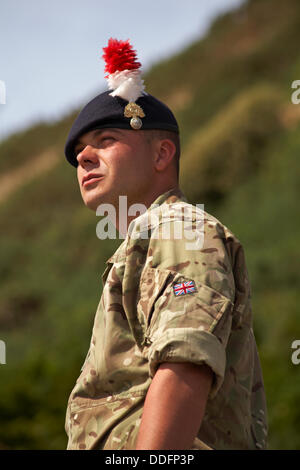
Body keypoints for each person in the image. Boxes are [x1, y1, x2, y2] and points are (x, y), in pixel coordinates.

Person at [63, 39, 268, 450]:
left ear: (161, 154)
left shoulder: (178, 229)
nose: (84, 156)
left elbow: (185, 359)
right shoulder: (149, 239)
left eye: (105, 140)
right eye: (80, 151)